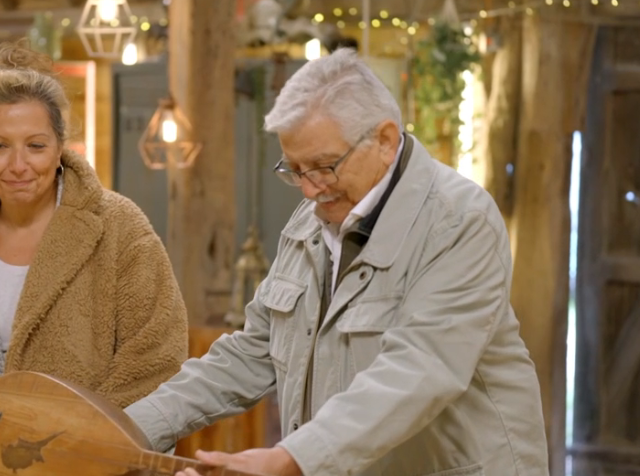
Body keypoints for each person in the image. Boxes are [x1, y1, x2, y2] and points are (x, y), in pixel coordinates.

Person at [124, 48, 549, 476]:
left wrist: (292, 459)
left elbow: (419, 369)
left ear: (384, 140)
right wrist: (129, 429)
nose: (309, 190)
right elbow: (254, 352)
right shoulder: (312, 221)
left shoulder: (459, 221)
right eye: (294, 170)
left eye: (324, 167)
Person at [0, 41, 188, 476]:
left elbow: (157, 358)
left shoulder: (120, 229)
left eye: (35, 145)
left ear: (60, 146)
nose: (17, 165)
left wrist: (84, 445)